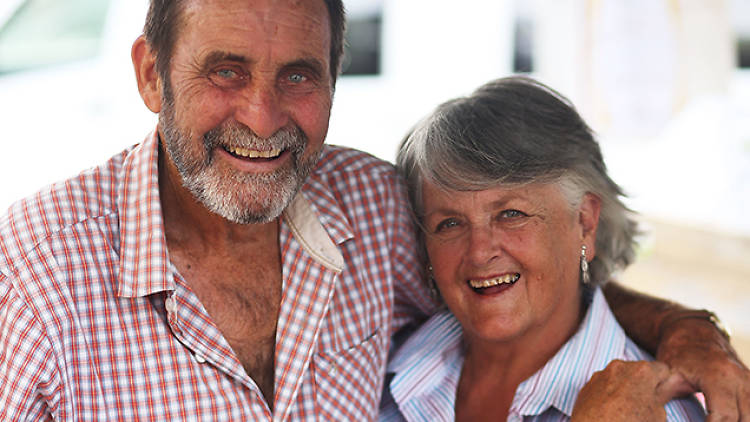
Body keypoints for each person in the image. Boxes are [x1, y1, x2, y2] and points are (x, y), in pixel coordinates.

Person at [0, 1, 747, 421]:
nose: (263, 118)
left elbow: (531, 283)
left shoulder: (369, 204)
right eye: (226, 72)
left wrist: (686, 330)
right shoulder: (36, 275)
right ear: (151, 75)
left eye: (299, 75)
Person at [379, 76, 739, 421]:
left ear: (585, 222)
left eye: (511, 214)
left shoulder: (657, 413)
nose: (478, 252)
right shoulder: (379, 364)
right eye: (450, 223)